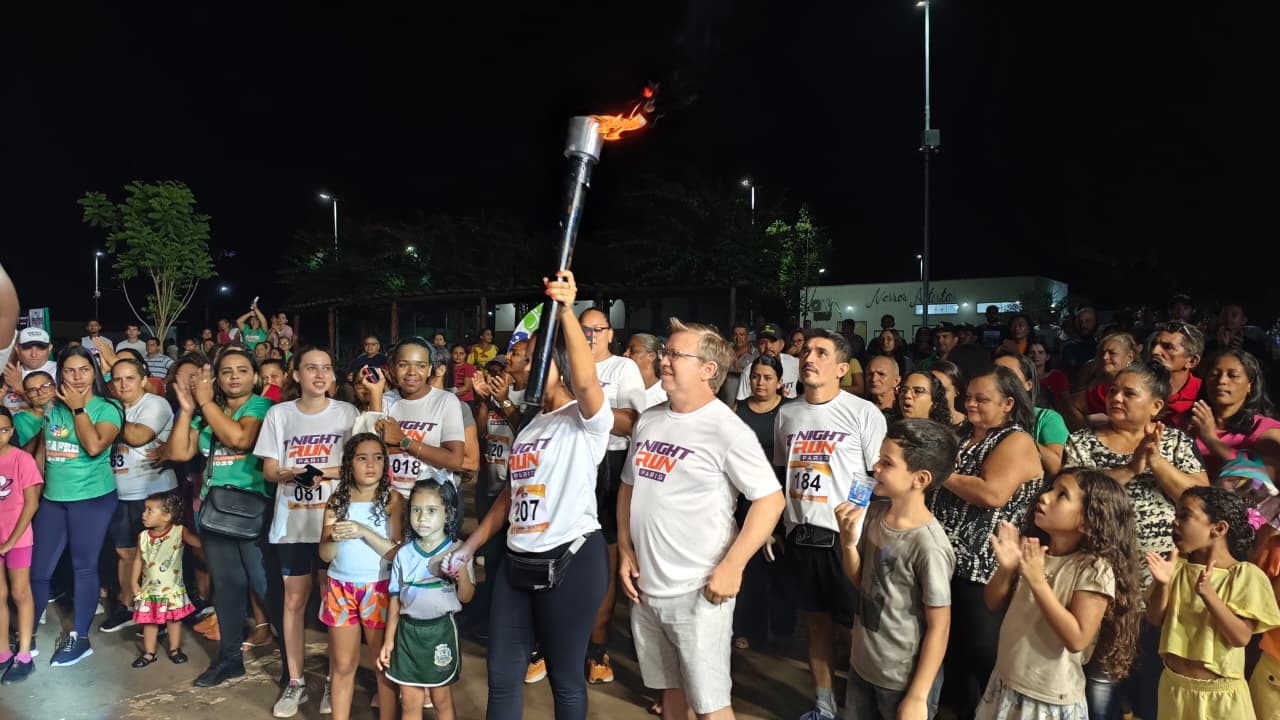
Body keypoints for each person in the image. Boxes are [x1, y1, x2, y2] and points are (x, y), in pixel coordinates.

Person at [448, 269, 610, 720]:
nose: (521, 366)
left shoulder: (587, 419)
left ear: (558, 362)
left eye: (534, 359)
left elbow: (587, 382)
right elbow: (510, 496)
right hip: (517, 559)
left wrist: (567, 310)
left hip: (571, 560)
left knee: (565, 678)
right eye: (522, 359)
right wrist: (470, 545)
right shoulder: (532, 424)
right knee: (502, 676)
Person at [617, 317, 784, 720]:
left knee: (711, 707)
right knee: (671, 692)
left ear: (708, 369)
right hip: (647, 588)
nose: (664, 359)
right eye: (665, 352)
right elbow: (628, 486)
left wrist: (733, 566)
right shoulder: (651, 419)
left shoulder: (726, 429)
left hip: (698, 591)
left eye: (676, 354)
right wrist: (624, 547)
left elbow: (770, 500)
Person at [1061, 361, 1208, 719]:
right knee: (1101, 692)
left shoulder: (1175, 443)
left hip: (1161, 591)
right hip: (1101, 589)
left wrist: (1155, 461)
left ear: (1156, 405)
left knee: (1154, 693)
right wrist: (1130, 469)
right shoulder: (1082, 442)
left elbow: (1201, 501)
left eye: (1129, 393)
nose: (1116, 398)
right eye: (1113, 391)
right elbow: (1074, 501)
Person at [774, 329, 887, 720]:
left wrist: (854, 513)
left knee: (853, 629)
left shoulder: (862, 412)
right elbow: (784, 470)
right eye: (806, 351)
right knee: (816, 626)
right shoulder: (787, 413)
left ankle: (864, 707)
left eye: (821, 353)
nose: (809, 357)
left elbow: (875, 473)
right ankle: (824, 706)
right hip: (800, 535)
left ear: (841, 368)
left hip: (844, 538)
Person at [926, 366, 1043, 718]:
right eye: (969, 397)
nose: (971, 404)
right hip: (945, 561)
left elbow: (992, 493)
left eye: (982, 399)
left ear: (1008, 403)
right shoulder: (962, 434)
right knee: (952, 653)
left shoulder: (1016, 440)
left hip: (984, 568)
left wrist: (940, 472)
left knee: (982, 653)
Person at [976, 469, 1141, 719]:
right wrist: (1007, 569)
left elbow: (1077, 639)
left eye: (1062, 495)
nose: (1045, 497)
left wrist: (1038, 582)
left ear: (1087, 522)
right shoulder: (1036, 550)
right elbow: (992, 602)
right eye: (1051, 489)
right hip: (1006, 681)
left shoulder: (1094, 569)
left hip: (1047, 697)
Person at [253, 346, 358, 717]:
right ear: (295, 374)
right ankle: (295, 681)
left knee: (334, 605)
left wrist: (319, 472)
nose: (320, 375)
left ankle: (332, 680)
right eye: (311, 368)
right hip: (293, 525)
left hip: (334, 526)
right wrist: (290, 473)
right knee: (294, 602)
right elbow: (270, 470)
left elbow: (358, 464)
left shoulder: (347, 413)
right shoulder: (279, 415)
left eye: (326, 368)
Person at [833, 419, 957, 720]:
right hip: (863, 663)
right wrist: (848, 544)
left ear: (920, 479)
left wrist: (917, 696)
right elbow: (862, 582)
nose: (875, 467)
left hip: (901, 679)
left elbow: (939, 627)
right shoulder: (876, 513)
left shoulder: (929, 546)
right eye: (879, 458)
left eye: (887, 463)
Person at [164, 348, 274, 688]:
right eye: (226, 371)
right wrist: (187, 410)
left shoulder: (261, 407)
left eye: (242, 370)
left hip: (255, 512)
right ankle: (229, 659)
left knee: (266, 587)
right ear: (216, 379)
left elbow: (239, 437)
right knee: (226, 588)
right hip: (215, 513)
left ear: (255, 377)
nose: (234, 376)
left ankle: (291, 665)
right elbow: (178, 452)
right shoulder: (205, 412)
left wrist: (206, 403)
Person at [23, 346, 124, 667]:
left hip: (91, 499)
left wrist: (79, 408)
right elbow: (44, 450)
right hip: (54, 499)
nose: (77, 377)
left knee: (83, 567)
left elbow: (94, 446)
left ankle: (80, 639)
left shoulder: (108, 407)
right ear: (60, 374)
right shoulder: (52, 406)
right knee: (38, 570)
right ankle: (26, 636)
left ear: (94, 372)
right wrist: (37, 490)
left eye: (84, 369)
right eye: (69, 370)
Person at [1146, 487, 1280, 719]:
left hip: (1220, 699)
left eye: (1185, 515)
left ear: (1218, 528)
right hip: (1174, 689)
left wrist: (1209, 596)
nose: (1175, 522)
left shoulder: (1244, 575)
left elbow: (1240, 638)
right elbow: (1155, 618)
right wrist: (1163, 584)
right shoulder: (1177, 568)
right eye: (1176, 514)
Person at [578, 306, 646, 684]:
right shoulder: (566, 366)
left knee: (605, 557)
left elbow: (634, 422)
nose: (589, 336)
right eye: (583, 329)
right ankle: (555, 644)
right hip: (571, 464)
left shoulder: (622, 368)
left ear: (609, 334)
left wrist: (587, 403)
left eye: (597, 329)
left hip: (609, 465)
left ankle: (598, 647)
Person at [320, 433, 403, 720]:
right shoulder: (336, 500)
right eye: (362, 458)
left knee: (382, 665)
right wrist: (332, 537)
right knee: (343, 666)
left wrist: (363, 531)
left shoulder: (392, 499)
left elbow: (397, 553)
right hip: (340, 588)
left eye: (378, 458)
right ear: (348, 464)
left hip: (378, 588)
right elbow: (325, 555)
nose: (371, 465)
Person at [378, 478, 473, 720]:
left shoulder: (458, 550)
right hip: (407, 635)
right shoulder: (404, 554)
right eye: (416, 510)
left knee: (441, 700)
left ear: (448, 514)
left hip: (440, 633)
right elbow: (395, 601)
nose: (422, 518)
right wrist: (388, 641)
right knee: (410, 702)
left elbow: (466, 596)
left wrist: (461, 574)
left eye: (431, 511)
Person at [99, 357, 179, 634]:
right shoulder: (112, 406)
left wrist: (107, 416)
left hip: (152, 491)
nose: (123, 385)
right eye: (117, 379)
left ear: (143, 380)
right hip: (119, 491)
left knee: (155, 555)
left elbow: (136, 436)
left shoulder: (155, 404)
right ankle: (129, 607)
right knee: (125, 552)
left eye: (130, 378)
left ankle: (162, 613)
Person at [730, 354, 790, 652]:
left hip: (781, 497)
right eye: (755, 376)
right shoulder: (738, 410)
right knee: (749, 565)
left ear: (779, 382)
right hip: (746, 497)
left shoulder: (789, 411)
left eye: (767, 378)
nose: (760, 383)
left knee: (778, 565)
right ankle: (748, 628)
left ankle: (780, 626)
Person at [377, 338, 467, 499]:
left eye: (421, 366)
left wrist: (403, 440)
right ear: (393, 368)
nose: (412, 372)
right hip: (390, 499)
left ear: (430, 369)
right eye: (403, 365)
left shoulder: (446, 401)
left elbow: (455, 460)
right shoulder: (385, 400)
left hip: (431, 501)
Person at [129, 491, 201, 668]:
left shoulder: (179, 532)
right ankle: (149, 653)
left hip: (172, 589)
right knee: (150, 621)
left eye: (149, 510)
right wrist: (133, 581)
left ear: (166, 516)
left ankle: (175, 649)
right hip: (149, 590)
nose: (143, 514)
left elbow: (198, 543)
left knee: (174, 620)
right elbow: (138, 559)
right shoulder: (143, 537)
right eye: (145, 509)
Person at [1189, 350, 1280, 479]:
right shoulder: (1189, 422)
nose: (1221, 380)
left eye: (1233, 376)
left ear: (1250, 385)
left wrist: (1211, 440)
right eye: (1214, 374)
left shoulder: (1266, 429)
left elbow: (1265, 476)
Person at [0, 406, 42, 684]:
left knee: (19, 592)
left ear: (11, 431)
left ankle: (24, 655)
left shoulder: (22, 459)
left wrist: (10, 541)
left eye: (3, 430)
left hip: (18, 538)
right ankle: (3, 652)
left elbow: (31, 504)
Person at [994, 352, 1069, 477]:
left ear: (1028, 384)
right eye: (995, 373)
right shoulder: (979, 415)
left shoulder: (1047, 418)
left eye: (1009, 375)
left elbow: (1054, 466)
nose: (1000, 381)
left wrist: (1016, 435)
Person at [1148, 322, 1204, 430]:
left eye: (1168, 347)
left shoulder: (1205, 393)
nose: (1155, 351)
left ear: (1192, 361)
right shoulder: (1138, 386)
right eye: (1154, 345)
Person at [736, 323, 800, 401]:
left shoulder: (794, 363)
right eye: (763, 343)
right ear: (757, 346)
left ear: (782, 344)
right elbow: (740, 404)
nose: (768, 346)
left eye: (772, 342)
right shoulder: (748, 372)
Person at [2, 327, 57, 414]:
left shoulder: (60, 371)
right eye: (27, 348)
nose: (34, 354)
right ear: (17, 349)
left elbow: (52, 412)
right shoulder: (7, 372)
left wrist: (19, 387)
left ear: (50, 348)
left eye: (40, 348)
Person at [624, 332, 667, 409]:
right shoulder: (621, 386)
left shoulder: (664, 394)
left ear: (651, 356)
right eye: (626, 349)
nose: (625, 354)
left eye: (632, 350)